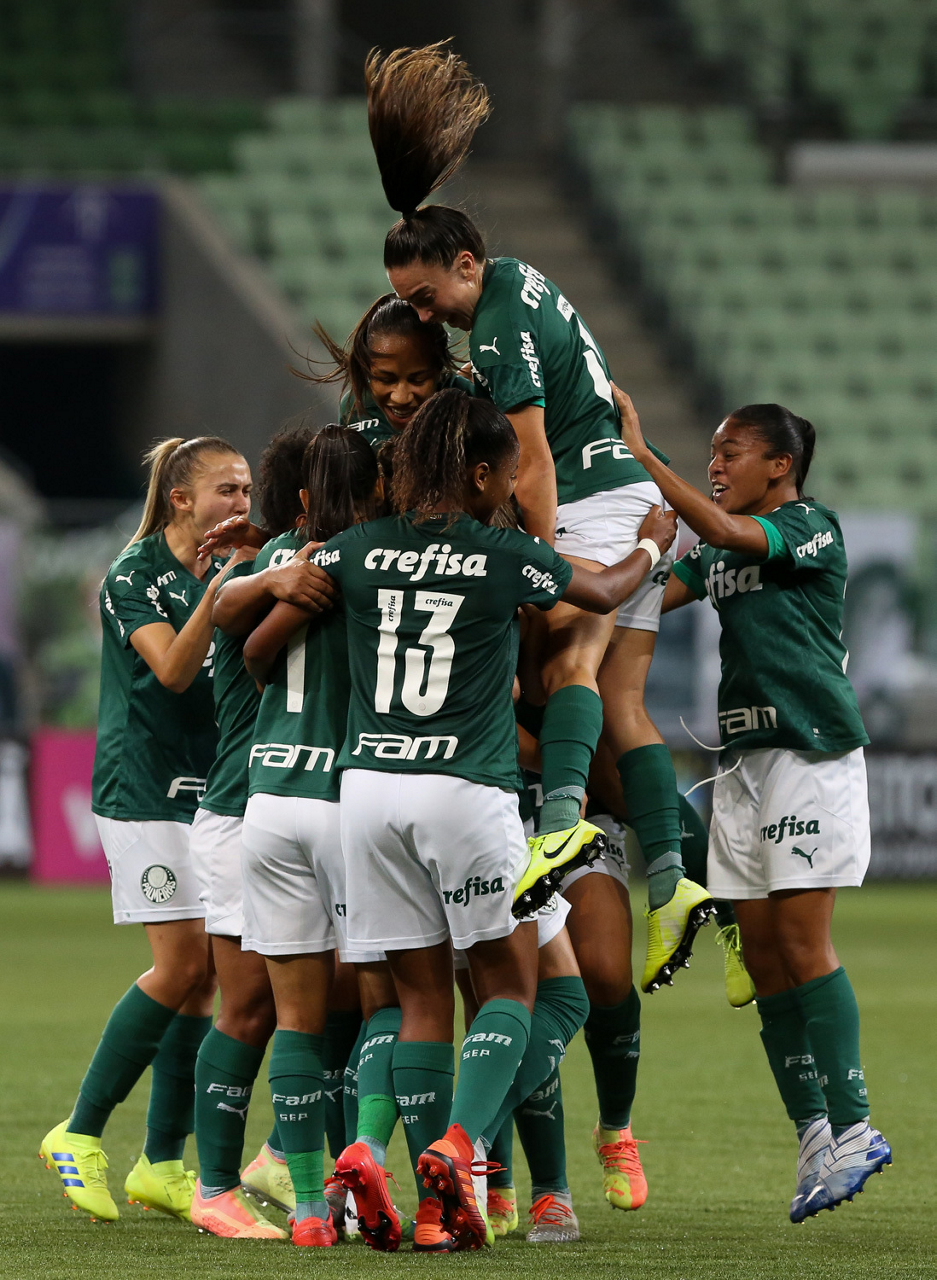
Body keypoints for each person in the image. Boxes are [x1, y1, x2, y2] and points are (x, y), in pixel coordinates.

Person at [363, 42, 715, 1219]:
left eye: (428, 301)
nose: (426, 320)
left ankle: (585, 830)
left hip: (597, 502)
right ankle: (668, 875)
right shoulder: (517, 286)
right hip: (621, 493)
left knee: (572, 652)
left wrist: (537, 555)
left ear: (464, 265)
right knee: (617, 693)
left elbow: (532, 461)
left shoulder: (502, 329)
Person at [306, 387, 675, 1250]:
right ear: (479, 474)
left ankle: (381, 1163)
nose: (515, 486)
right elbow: (602, 589)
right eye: (509, 472)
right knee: (515, 989)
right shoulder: (501, 551)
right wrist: (650, 544)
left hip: (368, 794)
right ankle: (458, 1148)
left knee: (418, 1001)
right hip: (464, 791)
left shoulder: (354, 549)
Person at [616, 388, 892, 1222]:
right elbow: (644, 596)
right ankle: (813, 1134)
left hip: (809, 755)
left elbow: (730, 533)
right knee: (764, 960)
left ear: (780, 465)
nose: (714, 465)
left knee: (804, 946)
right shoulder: (718, 549)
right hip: (739, 766)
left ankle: (857, 1128)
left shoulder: (809, 526)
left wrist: (645, 458)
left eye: (728, 452)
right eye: (710, 453)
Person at [40, 436, 253, 1224]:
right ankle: (78, 1131)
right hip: (141, 789)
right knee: (181, 965)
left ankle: (162, 1162)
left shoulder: (231, 565)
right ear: (181, 499)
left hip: (208, 790)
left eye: (247, 489)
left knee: (204, 978)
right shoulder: (134, 575)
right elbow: (171, 670)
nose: (241, 503)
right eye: (226, 489)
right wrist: (222, 591)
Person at [237, 427, 398, 1250]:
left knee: (296, 1019)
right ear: (381, 491)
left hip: (269, 802)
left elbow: (253, 656)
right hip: (346, 798)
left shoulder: (283, 560)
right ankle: (362, 1160)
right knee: (391, 1001)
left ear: (302, 500)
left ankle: (307, 1209)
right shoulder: (385, 559)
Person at [187, 425, 313, 1240]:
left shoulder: (283, 559)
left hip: (296, 810)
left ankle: (284, 1161)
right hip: (240, 810)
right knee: (247, 1008)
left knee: (322, 1003)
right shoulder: (260, 574)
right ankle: (213, 1187)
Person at [306, 291, 473, 447]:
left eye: (418, 380)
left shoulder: (467, 400)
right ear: (367, 369)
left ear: (439, 371)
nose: (401, 398)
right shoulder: (355, 409)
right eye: (385, 379)